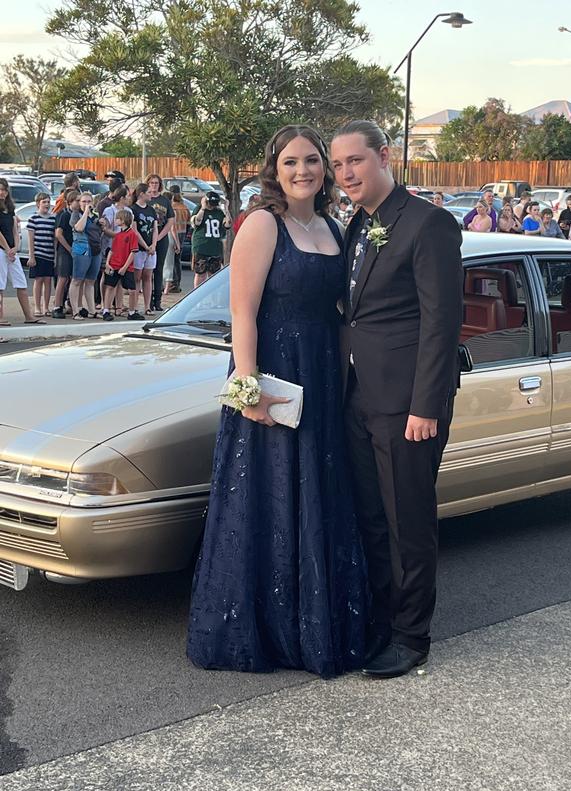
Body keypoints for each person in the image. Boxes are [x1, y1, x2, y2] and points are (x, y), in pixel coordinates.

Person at [187, 124, 366, 677]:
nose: (302, 171)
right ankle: (265, 627)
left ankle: (313, 622)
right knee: (268, 494)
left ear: (326, 168)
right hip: (272, 373)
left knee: (315, 490)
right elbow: (242, 311)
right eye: (290, 162)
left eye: (312, 161)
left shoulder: (335, 226)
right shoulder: (262, 224)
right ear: (274, 167)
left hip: (322, 373)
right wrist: (248, 387)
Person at [330, 119, 463, 678]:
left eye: (354, 162)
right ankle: (382, 623)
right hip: (358, 396)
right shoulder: (356, 225)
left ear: (385, 157)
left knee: (407, 519)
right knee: (372, 518)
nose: (344, 175)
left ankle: (412, 637)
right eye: (337, 166)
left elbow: (441, 323)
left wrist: (425, 407)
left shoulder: (428, 224)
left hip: (409, 403)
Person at [0, 178, 44, 325]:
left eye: (4, 190)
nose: (2, 193)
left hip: (12, 251)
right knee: (0, 286)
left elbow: (14, 229)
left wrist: (16, 247)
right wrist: (7, 249)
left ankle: (29, 316)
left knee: (21, 283)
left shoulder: (10, 208)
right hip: (1, 251)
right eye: (0, 189)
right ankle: (0, 318)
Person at [99, 184, 133, 313]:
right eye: (127, 196)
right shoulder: (109, 210)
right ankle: (104, 303)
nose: (129, 199)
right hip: (110, 246)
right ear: (122, 197)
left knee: (120, 277)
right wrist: (119, 236)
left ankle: (119, 305)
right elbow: (105, 228)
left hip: (124, 248)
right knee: (107, 275)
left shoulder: (129, 211)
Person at [70, 191, 103, 318]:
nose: (86, 204)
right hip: (82, 249)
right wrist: (85, 213)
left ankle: (92, 310)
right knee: (77, 279)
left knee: (90, 281)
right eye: (84, 201)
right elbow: (79, 228)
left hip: (95, 249)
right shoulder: (75, 215)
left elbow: (100, 230)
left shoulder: (95, 216)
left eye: (89, 201)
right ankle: (75, 311)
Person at [145, 173, 175, 312]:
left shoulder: (164, 201)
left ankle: (157, 300)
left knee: (159, 269)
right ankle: (147, 301)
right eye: (151, 183)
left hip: (161, 238)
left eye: (156, 183)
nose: (154, 185)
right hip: (146, 238)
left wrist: (159, 237)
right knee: (147, 271)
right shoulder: (145, 199)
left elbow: (170, 221)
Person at [103, 209, 139, 321]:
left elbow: (133, 252)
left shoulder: (132, 234)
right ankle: (106, 310)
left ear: (123, 220)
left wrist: (125, 267)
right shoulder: (117, 235)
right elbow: (112, 250)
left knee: (132, 290)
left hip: (126, 267)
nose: (116, 220)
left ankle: (132, 312)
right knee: (109, 287)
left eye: (118, 218)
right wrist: (108, 263)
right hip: (114, 265)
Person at [190, 190, 231, 287]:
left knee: (213, 275)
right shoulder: (199, 209)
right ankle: (197, 297)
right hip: (201, 247)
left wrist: (226, 209)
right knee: (200, 273)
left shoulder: (219, 212)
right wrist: (203, 208)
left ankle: (211, 298)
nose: (212, 206)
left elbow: (228, 224)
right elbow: (197, 222)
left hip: (215, 248)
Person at [131, 182, 158, 317]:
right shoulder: (134, 209)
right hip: (139, 249)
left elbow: (155, 229)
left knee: (148, 277)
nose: (151, 194)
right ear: (141, 194)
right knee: (137, 277)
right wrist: (145, 246)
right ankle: (134, 306)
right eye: (148, 192)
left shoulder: (151, 210)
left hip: (150, 249)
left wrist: (153, 245)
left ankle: (147, 306)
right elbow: (135, 230)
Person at [27, 192, 57, 316]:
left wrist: (55, 255)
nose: (47, 204)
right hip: (38, 253)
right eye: (44, 202)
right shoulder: (33, 218)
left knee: (48, 280)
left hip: (49, 253)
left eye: (48, 201)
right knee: (38, 280)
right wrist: (31, 256)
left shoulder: (53, 219)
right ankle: (37, 307)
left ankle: (46, 307)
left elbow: (54, 239)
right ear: (38, 204)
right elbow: (30, 238)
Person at [51, 189, 79, 319]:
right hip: (64, 250)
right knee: (62, 278)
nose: (79, 204)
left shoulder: (79, 215)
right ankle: (57, 305)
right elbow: (59, 234)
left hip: (76, 250)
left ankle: (70, 304)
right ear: (69, 202)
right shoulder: (64, 215)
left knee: (72, 279)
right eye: (77, 201)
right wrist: (69, 248)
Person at [168, 185, 190, 291]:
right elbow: (189, 223)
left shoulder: (172, 207)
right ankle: (177, 283)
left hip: (174, 233)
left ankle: (172, 283)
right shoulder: (184, 207)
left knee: (171, 259)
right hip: (183, 232)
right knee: (178, 260)